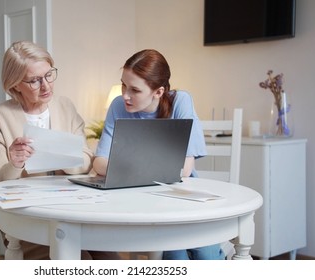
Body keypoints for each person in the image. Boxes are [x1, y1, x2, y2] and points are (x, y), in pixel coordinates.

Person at [0, 40, 119, 260]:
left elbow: (86, 159)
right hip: (27, 217)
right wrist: (14, 164)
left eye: (49, 75)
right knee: (81, 260)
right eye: (34, 80)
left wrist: (65, 159)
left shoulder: (65, 106)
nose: (46, 86)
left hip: (73, 210)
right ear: (15, 84)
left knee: (110, 260)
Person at [93, 49, 224, 260]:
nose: (125, 95)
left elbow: (184, 169)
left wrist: (128, 167)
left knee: (204, 250)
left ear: (158, 92)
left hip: (180, 196)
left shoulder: (180, 101)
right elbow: (99, 163)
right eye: (123, 85)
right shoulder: (118, 106)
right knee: (175, 253)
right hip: (135, 199)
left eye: (135, 90)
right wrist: (149, 168)